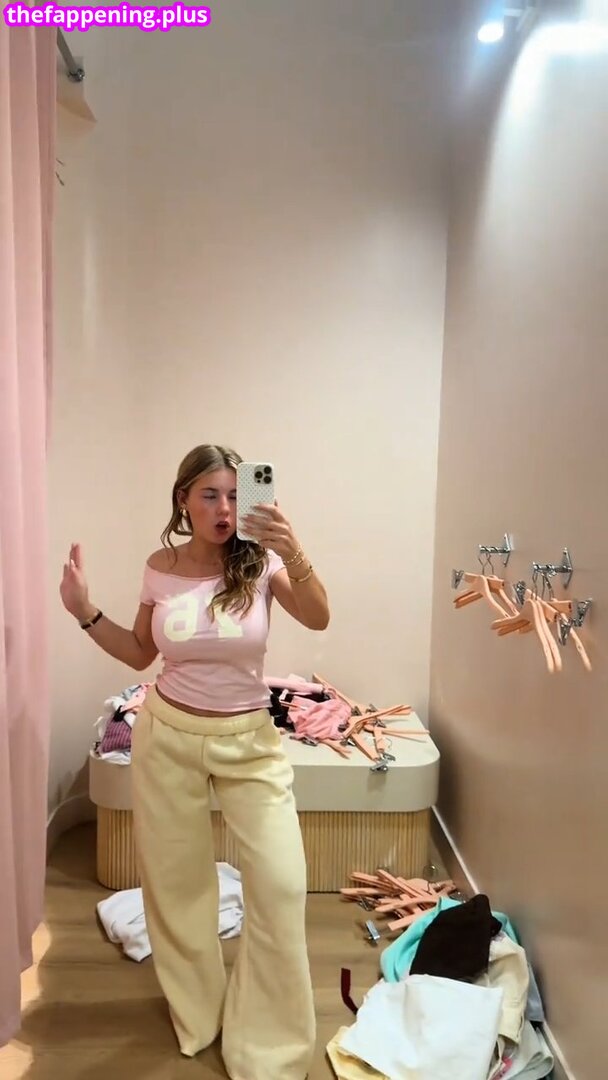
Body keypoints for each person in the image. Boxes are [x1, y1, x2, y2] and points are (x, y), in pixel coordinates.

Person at [59, 444, 330, 1080]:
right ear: (183, 500)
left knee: (282, 885)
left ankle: (268, 1045)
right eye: (210, 495)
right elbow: (138, 653)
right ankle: (199, 1014)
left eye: (236, 495)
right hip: (169, 737)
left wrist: (292, 549)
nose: (225, 508)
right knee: (179, 887)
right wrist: (83, 611)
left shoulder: (261, 562)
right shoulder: (161, 567)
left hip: (249, 743)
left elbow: (319, 617)